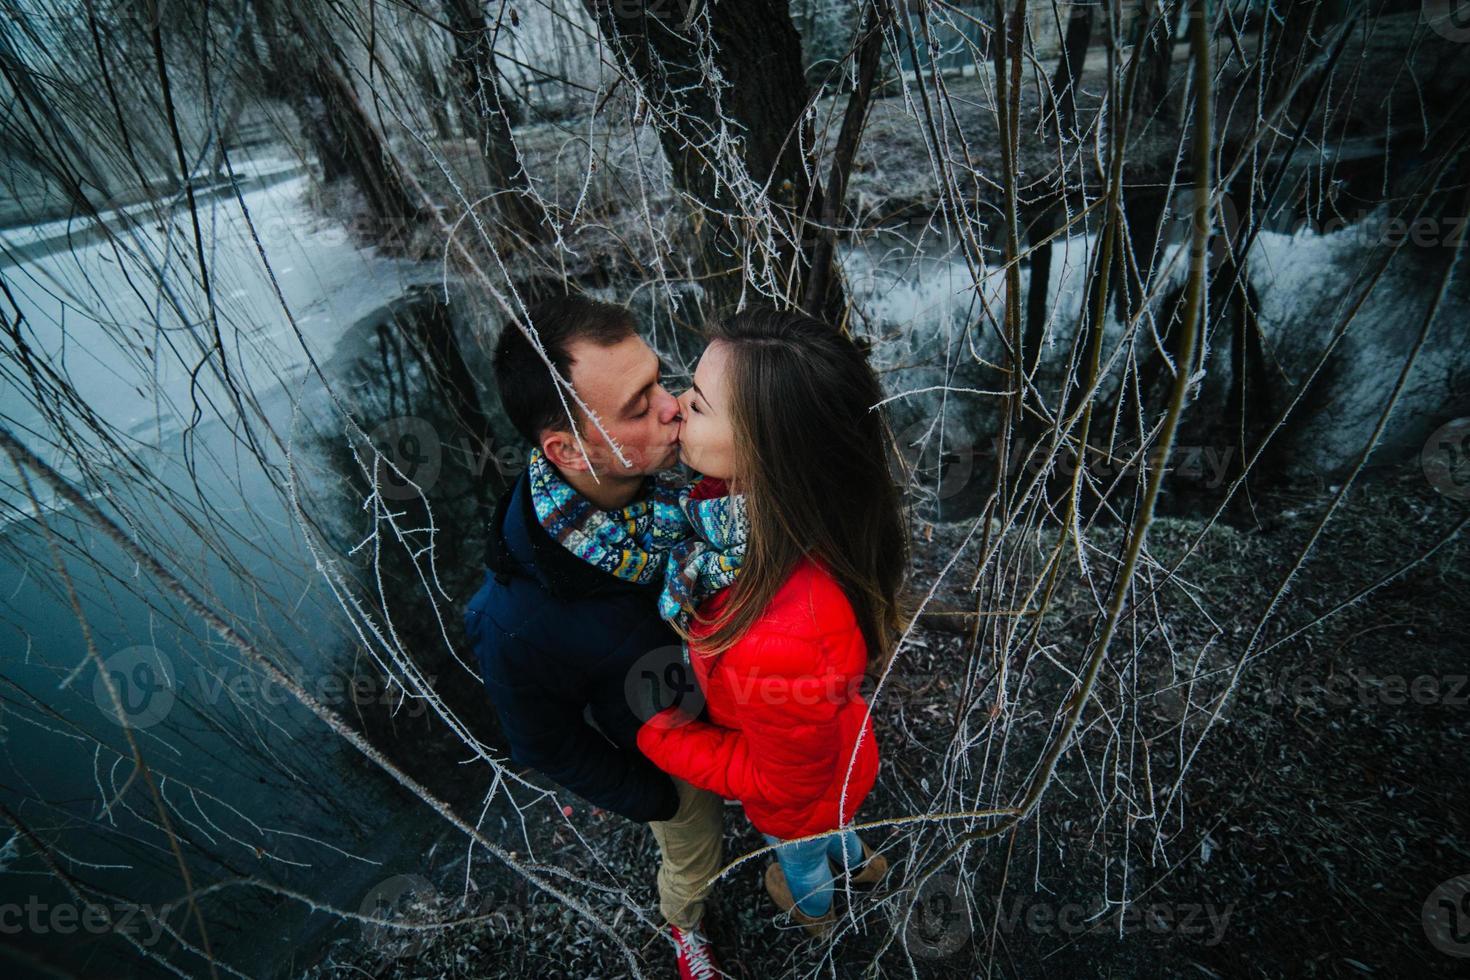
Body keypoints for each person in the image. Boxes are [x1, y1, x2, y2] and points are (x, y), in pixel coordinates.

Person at [463, 296, 722, 979]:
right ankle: (686, 928)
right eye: (639, 405)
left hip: (748, 697)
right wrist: (653, 797)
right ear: (568, 449)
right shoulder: (513, 619)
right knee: (693, 858)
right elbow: (544, 742)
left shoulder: (684, 482)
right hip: (677, 745)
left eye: (659, 381)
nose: (674, 405)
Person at [639, 308, 907, 938]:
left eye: (699, 404)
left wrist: (661, 740)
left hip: (801, 796)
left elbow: (779, 785)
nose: (676, 406)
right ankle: (861, 864)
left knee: (798, 854)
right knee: (833, 825)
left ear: (766, 453)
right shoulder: (784, 530)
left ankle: (813, 911)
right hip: (840, 758)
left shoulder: (779, 633)